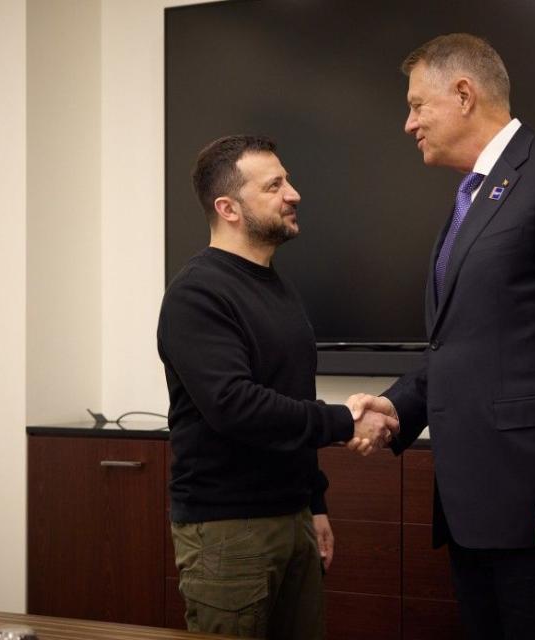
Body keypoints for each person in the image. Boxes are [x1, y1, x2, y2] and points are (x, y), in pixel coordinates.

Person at [349, 34, 535, 639]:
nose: (408, 124)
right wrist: (397, 407)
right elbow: (463, 342)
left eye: (416, 105)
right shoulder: (471, 197)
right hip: (473, 500)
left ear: (463, 94)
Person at [157, 135, 398, 639]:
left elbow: (292, 396)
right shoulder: (197, 293)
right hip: (228, 531)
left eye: (286, 180)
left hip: (292, 519)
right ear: (229, 208)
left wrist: (316, 504)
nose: (294, 193)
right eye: (274, 185)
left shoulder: (276, 286)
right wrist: (346, 420)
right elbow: (235, 406)